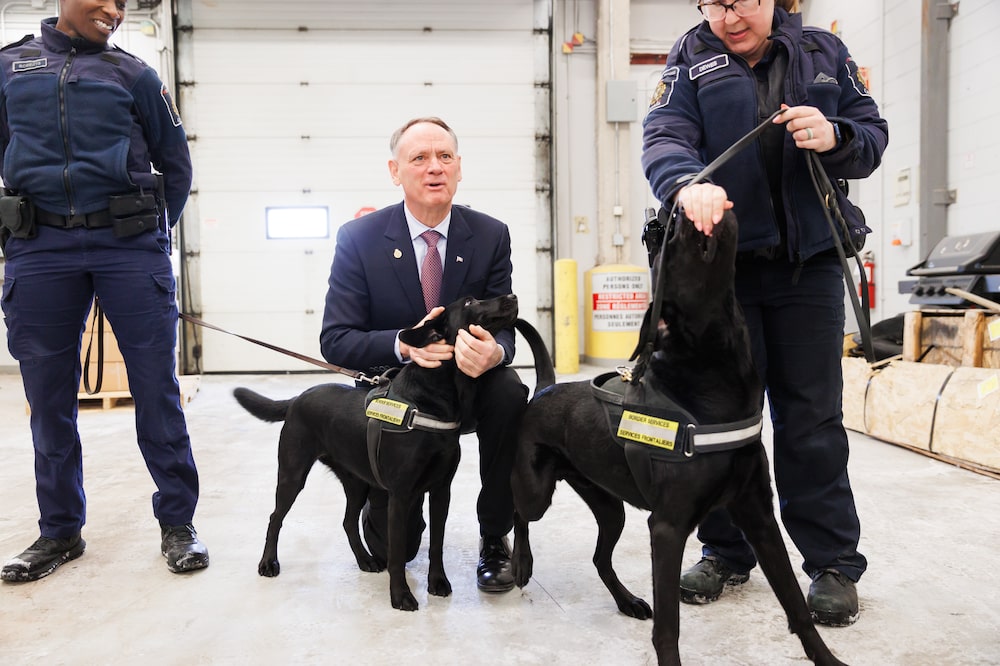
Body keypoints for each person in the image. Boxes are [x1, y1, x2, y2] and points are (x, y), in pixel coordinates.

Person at [641, 0, 888, 626]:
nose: (727, 16)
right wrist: (685, 182)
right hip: (726, 276)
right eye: (713, 3)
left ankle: (832, 562)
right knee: (721, 420)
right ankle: (725, 551)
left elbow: (870, 136)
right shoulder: (688, 59)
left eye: (739, 1)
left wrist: (837, 137)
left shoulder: (825, 54)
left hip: (811, 267)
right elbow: (664, 136)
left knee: (811, 419)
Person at [0, 0, 208, 581]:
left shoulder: (134, 75)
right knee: (47, 398)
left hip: (126, 244)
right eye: (106, 0)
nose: (114, 11)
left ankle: (178, 524)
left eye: (123, 4)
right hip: (39, 247)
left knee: (155, 388)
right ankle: (59, 532)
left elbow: (176, 164)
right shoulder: (10, 67)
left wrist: (145, 236)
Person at [320, 117, 528, 592]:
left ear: (458, 169)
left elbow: (506, 324)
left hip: (468, 387)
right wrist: (402, 343)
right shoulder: (360, 239)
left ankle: (495, 536)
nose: (434, 168)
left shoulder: (491, 234)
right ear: (396, 172)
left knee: (509, 394)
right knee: (395, 547)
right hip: (397, 395)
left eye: (445, 157)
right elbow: (335, 339)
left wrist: (496, 352)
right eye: (419, 158)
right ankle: (386, 499)